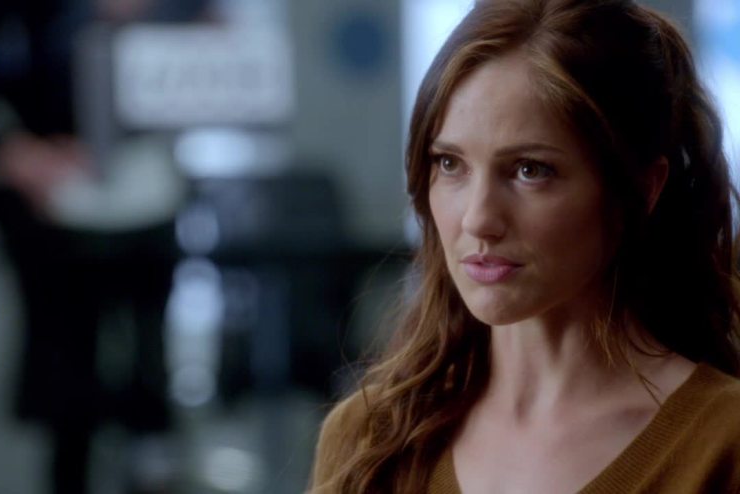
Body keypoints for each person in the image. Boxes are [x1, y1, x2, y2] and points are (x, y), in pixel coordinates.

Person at [309, 0, 740, 492]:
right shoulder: (369, 439)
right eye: (450, 164)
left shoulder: (722, 444)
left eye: (530, 170)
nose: (478, 219)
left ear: (642, 189)